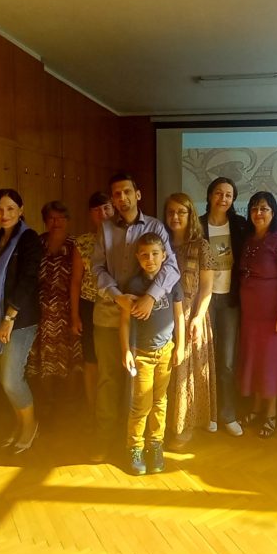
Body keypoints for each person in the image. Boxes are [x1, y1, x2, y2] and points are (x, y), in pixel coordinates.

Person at [91, 173, 180, 462]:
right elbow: (96, 268)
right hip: (111, 313)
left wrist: (150, 296)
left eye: (127, 192)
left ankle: (138, 444)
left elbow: (171, 267)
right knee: (108, 379)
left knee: (143, 389)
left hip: (149, 321)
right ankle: (106, 440)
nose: (122, 198)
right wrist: (117, 295)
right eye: (116, 194)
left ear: (137, 194)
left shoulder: (155, 227)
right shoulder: (105, 229)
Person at [120, 233, 184, 475]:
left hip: (166, 351)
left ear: (164, 255)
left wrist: (180, 346)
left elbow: (179, 315)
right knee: (141, 404)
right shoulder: (133, 285)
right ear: (138, 257)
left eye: (155, 254)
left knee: (160, 401)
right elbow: (125, 321)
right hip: (142, 354)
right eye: (145, 255)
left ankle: (155, 445)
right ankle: (134, 447)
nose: (150, 259)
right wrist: (126, 350)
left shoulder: (172, 282)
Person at [0, 188, 42, 453]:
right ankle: (19, 423)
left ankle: (30, 425)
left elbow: (28, 279)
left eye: (10, 208)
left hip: (18, 319)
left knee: (11, 379)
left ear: (21, 210)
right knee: (3, 377)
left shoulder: (29, 238)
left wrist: (9, 317)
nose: (4, 214)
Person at [237, 191, 277, 438]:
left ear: (273, 212)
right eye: (254, 208)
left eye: (264, 208)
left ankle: (271, 414)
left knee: (270, 364)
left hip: (274, 314)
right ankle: (255, 408)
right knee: (255, 360)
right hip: (251, 314)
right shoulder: (249, 239)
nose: (258, 213)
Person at [163, 192, 217, 451]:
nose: (175, 216)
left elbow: (207, 288)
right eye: (171, 212)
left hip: (191, 316)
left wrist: (197, 317)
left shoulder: (201, 246)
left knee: (187, 373)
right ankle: (164, 424)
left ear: (190, 215)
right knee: (167, 372)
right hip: (163, 317)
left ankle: (184, 426)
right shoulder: (162, 244)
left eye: (181, 212)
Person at [199, 177, 250, 437]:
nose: (223, 198)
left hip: (230, 300)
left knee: (227, 361)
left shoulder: (239, 225)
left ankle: (227, 413)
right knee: (204, 358)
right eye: (219, 193)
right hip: (203, 300)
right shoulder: (197, 225)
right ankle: (208, 412)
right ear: (210, 196)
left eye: (229, 195)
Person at [27, 201, 83, 397]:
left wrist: (75, 315)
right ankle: (47, 400)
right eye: (51, 218)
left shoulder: (76, 245)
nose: (56, 222)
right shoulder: (37, 243)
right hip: (41, 310)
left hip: (68, 309)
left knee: (70, 354)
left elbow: (78, 281)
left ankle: (70, 400)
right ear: (45, 221)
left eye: (60, 218)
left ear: (67, 220)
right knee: (45, 354)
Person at [70, 191, 114, 417]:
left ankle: (113, 408)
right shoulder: (83, 242)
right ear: (90, 214)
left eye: (106, 208)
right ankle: (92, 409)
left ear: (113, 209)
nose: (102, 214)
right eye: (97, 210)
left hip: (116, 305)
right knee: (91, 359)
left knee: (114, 358)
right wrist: (75, 316)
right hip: (89, 305)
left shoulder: (125, 237)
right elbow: (76, 281)